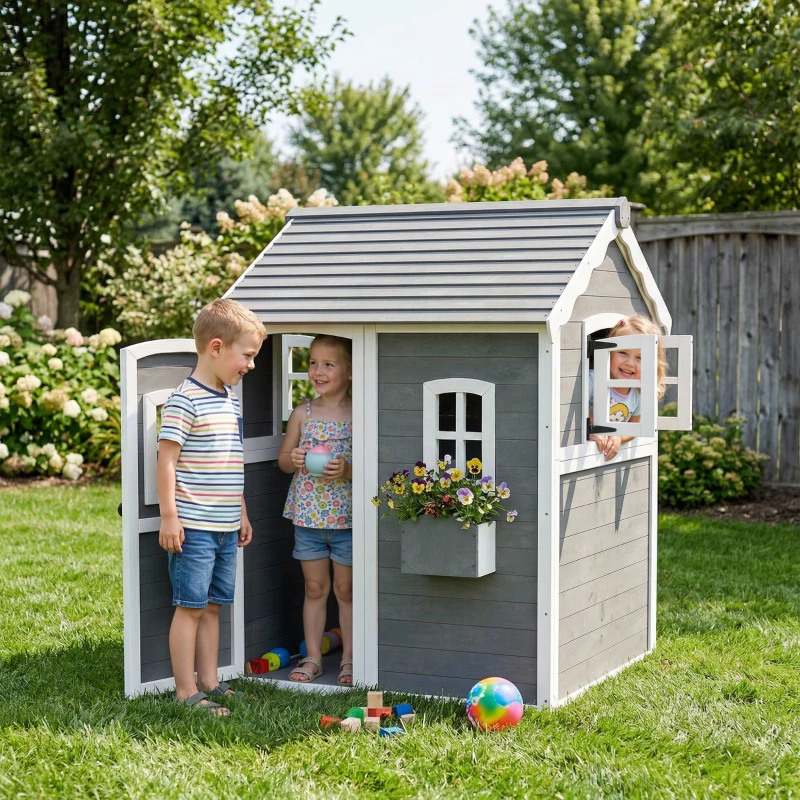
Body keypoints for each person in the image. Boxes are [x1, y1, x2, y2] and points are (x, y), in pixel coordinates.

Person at [157, 299, 266, 715]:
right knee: (191, 607)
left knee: (215, 605)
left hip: (223, 525)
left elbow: (229, 459)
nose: (251, 365)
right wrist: (170, 516)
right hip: (194, 527)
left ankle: (210, 680)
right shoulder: (185, 400)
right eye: (248, 355)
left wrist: (240, 511)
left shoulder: (229, 399)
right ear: (217, 347)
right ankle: (186, 691)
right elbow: (166, 459)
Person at [278, 334, 353, 686]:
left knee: (347, 590)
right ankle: (313, 657)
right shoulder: (302, 413)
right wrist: (292, 459)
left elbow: (371, 461)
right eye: (312, 363)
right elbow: (282, 460)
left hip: (347, 519)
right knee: (314, 588)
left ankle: (351, 658)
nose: (317, 371)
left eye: (329, 364)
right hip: (308, 517)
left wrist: (347, 469)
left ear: (350, 370)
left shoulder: (359, 412)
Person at [588, 314, 667, 461]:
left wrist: (618, 437)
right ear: (608, 353)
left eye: (640, 357)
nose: (630, 363)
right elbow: (575, 409)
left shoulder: (639, 392)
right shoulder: (593, 380)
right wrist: (591, 429)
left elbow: (634, 427)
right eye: (623, 353)